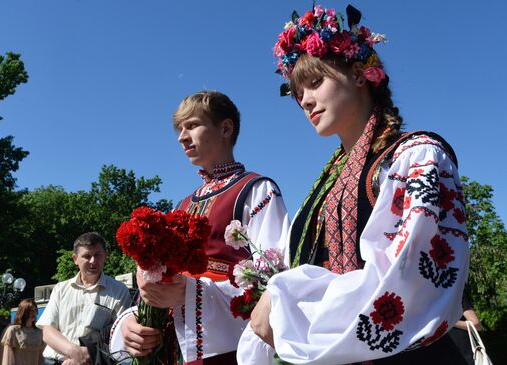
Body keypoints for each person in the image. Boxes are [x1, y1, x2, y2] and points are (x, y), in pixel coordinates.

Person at [238, 4, 470, 364]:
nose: (306, 101)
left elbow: (406, 279)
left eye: (316, 82)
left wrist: (284, 295)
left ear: (361, 74)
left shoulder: (417, 157)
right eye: (298, 92)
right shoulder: (322, 188)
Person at [109, 91, 291, 364]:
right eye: (179, 129)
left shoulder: (255, 189)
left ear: (225, 128)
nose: (182, 137)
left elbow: (275, 280)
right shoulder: (181, 206)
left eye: (192, 125)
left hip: (228, 350)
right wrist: (132, 324)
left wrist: (192, 292)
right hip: (173, 345)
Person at [36, 232, 132, 365]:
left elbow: (121, 335)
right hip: (54, 361)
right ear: (75, 259)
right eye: (87, 256)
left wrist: (85, 356)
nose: (93, 261)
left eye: (97, 255)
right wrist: (76, 354)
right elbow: (48, 331)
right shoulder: (61, 289)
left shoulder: (119, 291)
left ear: (105, 256)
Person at [0, 299, 44, 365]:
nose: (34, 313)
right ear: (24, 311)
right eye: (30, 310)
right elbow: (7, 358)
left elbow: (41, 358)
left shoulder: (39, 332)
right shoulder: (13, 330)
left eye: (35, 310)